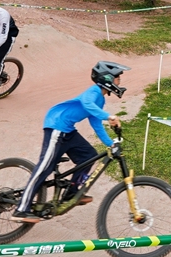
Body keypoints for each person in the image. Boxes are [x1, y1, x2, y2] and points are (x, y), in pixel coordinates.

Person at [13, 61, 127, 223]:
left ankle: (72, 193)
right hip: (56, 126)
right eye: (117, 78)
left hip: (68, 130)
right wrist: (109, 116)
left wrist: (110, 144)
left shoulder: (100, 100)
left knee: (89, 156)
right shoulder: (93, 91)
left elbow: (96, 124)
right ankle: (21, 209)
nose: (119, 82)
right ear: (107, 78)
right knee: (45, 167)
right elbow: (87, 104)